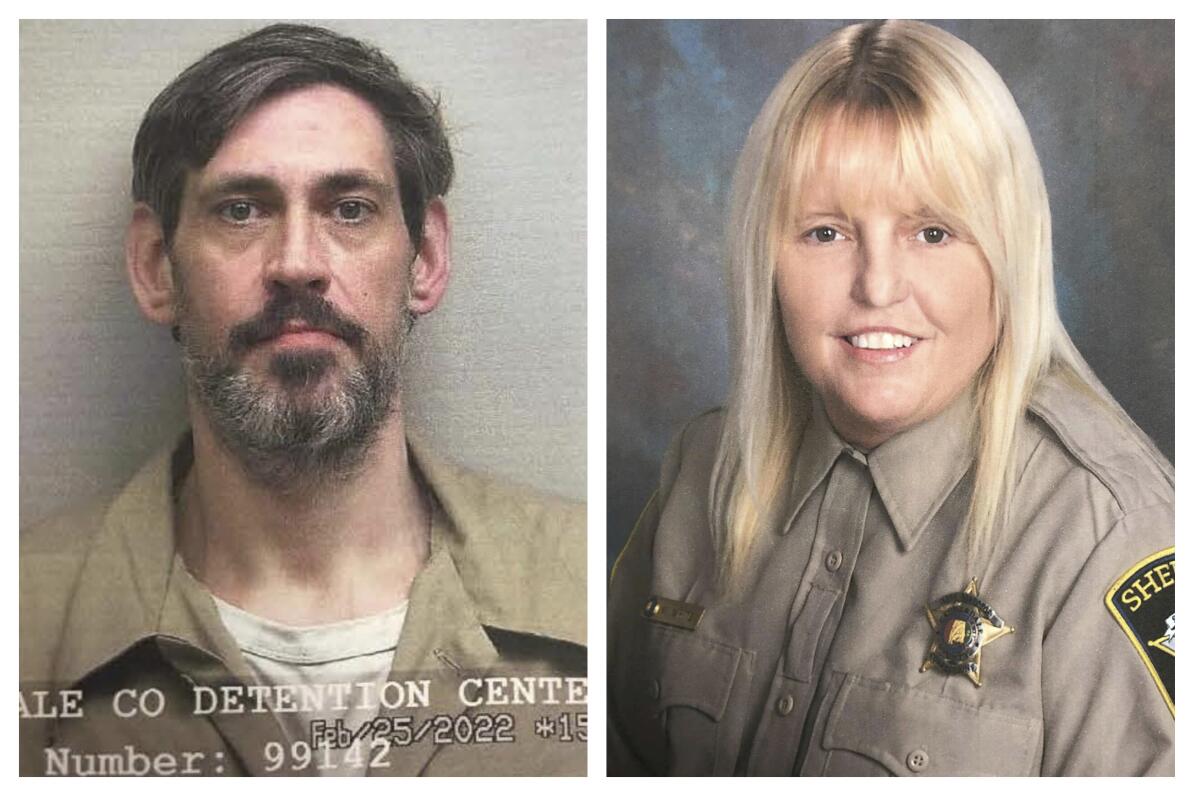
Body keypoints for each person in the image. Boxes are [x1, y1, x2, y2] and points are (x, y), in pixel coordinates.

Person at [608, 19, 1173, 776]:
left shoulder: (1106, 531)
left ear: (1007, 255)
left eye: (932, 233)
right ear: (764, 258)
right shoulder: (702, 468)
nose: (877, 286)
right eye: (825, 233)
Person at [20, 23, 585, 777]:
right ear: (157, 267)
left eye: (349, 209)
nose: (296, 264)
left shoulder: (586, 592)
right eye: (241, 210)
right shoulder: (21, 620)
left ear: (426, 258)